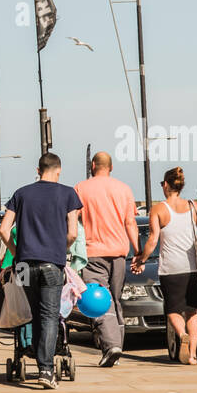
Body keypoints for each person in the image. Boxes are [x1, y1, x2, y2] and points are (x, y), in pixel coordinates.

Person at [0, 153, 82, 390]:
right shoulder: (68, 194)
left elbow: (4, 230)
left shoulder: (21, 193)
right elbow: (73, 233)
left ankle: (38, 360)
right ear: (59, 170)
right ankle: (45, 369)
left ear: (38, 169)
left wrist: (16, 252)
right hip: (51, 264)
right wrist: (59, 249)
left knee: (33, 314)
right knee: (49, 316)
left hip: (24, 264)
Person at [133, 166, 197, 365]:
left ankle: (181, 334)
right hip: (194, 268)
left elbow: (153, 240)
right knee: (193, 312)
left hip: (171, 269)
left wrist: (141, 259)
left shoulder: (159, 209)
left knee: (173, 310)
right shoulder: (193, 206)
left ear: (165, 185)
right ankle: (192, 355)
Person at [74, 151, 138, 367]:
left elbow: (74, 219)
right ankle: (117, 346)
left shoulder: (81, 188)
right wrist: (138, 251)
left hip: (93, 253)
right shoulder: (124, 189)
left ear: (93, 165)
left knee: (99, 301)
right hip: (119, 253)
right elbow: (131, 223)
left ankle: (111, 346)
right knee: (116, 300)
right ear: (111, 167)